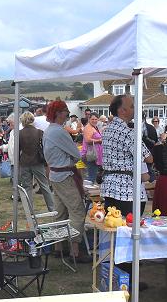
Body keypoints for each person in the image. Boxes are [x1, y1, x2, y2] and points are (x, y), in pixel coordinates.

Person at [43, 100, 90, 263]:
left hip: (56, 175)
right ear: (58, 113)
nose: (68, 115)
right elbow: (76, 155)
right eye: (65, 112)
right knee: (77, 210)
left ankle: (58, 247)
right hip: (64, 175)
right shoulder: (59, 132)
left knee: (60, 211)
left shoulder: (49, 131)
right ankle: (75, 251)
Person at [100, 94, 153, 218]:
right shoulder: (128, 132)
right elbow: (148, 157)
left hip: (109, 186)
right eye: (132, 106)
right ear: (122, 110)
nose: (135, 109)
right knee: (128, 230)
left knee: (113, 228)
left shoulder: (107, 130)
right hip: (127, 189)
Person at [18, 111, 55, 211]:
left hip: (24, 162)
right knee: (44, 186)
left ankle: (29, 211)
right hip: (38, 161)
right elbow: (45, 147)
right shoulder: (39, 132)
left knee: (27, 187)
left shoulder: (19, 133)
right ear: (32, 120)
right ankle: (52, 208)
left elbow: (18, 150)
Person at [80, 113, 103, 183]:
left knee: (93, 174)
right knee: (91, 176)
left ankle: (89, 190)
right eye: (92, 119)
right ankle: (87, 191)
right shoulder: (88, 127)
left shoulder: (94, 127)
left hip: (94, 154)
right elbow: (88, 140)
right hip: (90, 154)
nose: (94, 120)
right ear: (89, 119)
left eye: (96, 119)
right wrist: (99, 140)